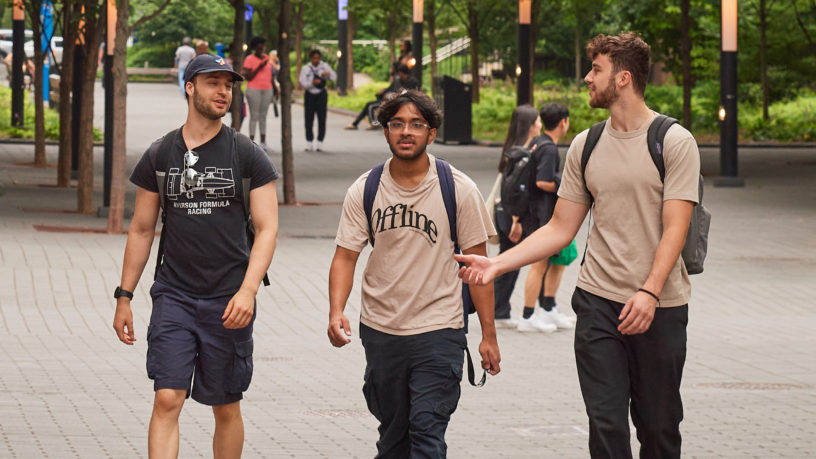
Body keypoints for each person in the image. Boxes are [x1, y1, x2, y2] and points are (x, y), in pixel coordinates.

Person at [455, 32, 700, 458]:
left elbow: (676, 228)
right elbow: (559, 228)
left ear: (623, 78)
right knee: (605, 426)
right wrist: (496, 265)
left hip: (659, 306)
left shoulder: (673, 142)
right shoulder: (586, 145)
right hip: (599, 304)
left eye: (596, 70)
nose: (587, 78)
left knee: (659, 428)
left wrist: (649, 291)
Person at [112, 54, 280, 458]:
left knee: (225, 403)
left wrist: (248, 291)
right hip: (175, 295)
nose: (223, 91)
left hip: (229, 297)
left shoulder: (246, 154)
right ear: (190, 88)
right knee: (168, 396)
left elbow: (268, 229)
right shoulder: (160, 154)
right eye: (213, 83)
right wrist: (124, 296)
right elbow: (140, 229)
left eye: (228, 84)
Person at [328, 90, 501, 457]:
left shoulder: (459, 189)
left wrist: (489, 334)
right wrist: (335, 310)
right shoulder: (365, 189)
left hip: (439, 330)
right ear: (387, 132)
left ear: (431, 133)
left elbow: (478, 268)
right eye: (397, 124)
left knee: (426, 432)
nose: (406, 132)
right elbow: (345, 257)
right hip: (381, 330)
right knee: (393, 437)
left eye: (416, 125)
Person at [492, 104, 555, 332]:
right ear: (530, 125)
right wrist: (517, 220)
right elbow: (518, 189)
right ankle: (498, 311)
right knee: (509, 263)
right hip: (513, 215)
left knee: (509, 262)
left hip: (509, 212)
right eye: (537, 120)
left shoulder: (513, 147)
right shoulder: (523, 151)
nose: (540, 124)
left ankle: (500, 310)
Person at [521, 103, 577, 330]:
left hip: (539, 213)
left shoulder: (537, 142)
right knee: (539, 265)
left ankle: (548, 308)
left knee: (556, 263)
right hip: (542, 215)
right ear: (563, 121)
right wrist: (564, 184)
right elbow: (542, 181)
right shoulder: (550, 149)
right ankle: (527, 316)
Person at [345, 64, 419, 131]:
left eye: (400, 73)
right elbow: (390, 88)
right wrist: (384, 91)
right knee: (368, 104)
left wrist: (398, 93)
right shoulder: (398, 80)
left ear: (402, 72)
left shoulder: (412, 81)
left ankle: (373, 124)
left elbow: (412, 93)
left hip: (398, 101)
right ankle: (355, 123)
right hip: (389, 99)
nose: (399, 75)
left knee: (371, 107)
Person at [298, 49, 336, 152]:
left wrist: (327, 75)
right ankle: (309, 142)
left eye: (318, 58)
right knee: (309, 118)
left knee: (322, 118)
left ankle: (320, 142)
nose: (316, 60)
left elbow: (334, 77)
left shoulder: (324, 66)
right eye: (314, 58)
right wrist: (312, 83)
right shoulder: (306, 68)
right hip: (310, 94)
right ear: (311, 58)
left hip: (321, 95)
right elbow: (302, 82)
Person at [242, 36, 275, 149]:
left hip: (267, 89)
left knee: (263, 116)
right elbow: (248, 77)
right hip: (254, 89)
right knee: (254, 115)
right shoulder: (249, 59)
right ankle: (251, 142)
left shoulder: (266, 58)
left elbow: (271, 76)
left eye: (263, 46)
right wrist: (259, 66)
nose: (261, 49)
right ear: (254, 47)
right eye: (259, 46)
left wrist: (275, 89)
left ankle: (263, 142)